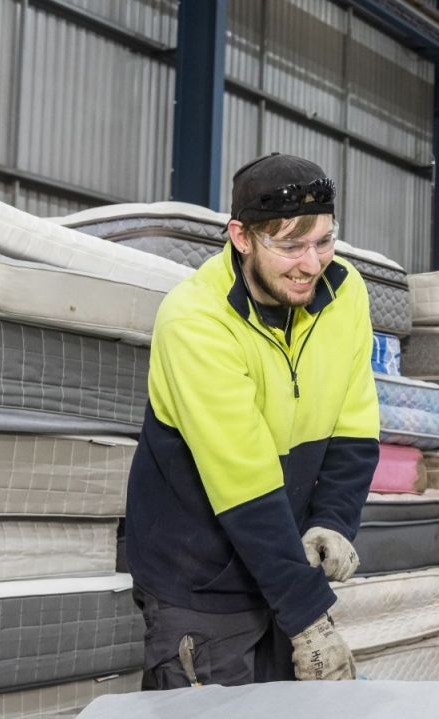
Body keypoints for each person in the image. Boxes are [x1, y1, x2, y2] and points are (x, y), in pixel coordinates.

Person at [125, 153, 380, 687]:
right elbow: (244, 484)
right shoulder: (196, 319)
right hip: (202, 583)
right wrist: (310, 619)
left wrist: (334, 520)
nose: (311, 264)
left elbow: (354, 424)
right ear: (241, 237)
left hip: (284, 566)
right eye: (290, 246)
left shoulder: (344, 291)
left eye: (324, 241)